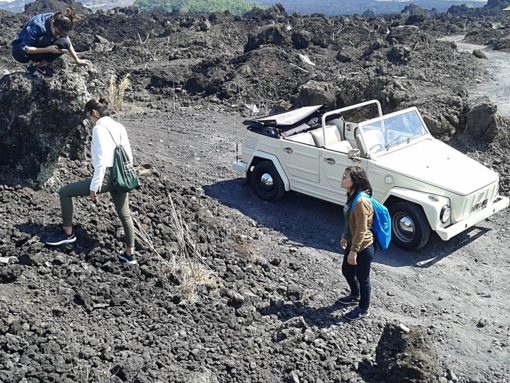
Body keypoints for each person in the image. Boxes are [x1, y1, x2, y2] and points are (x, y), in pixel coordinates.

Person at [45, 98, 137, 265]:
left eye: (89, 119)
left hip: (107, 176)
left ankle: (67, 235)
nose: (90, 123)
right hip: (122, 174)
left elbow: (101, 161)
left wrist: (95, 187)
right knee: (125, 215)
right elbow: (128, 155)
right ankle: (130, 255)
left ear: (94, 113)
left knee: (64, 192)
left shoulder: (99, 129)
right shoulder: (120, 126)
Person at [339, 165, 375, 321]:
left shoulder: (360, 201)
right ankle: (355, 295)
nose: (342, 178)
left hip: (363, 246)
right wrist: (345, 236)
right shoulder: (351, 195)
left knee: (363, 278)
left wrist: (354, 250)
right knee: (347, 270)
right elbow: (350, 221)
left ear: (354, 181)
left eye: (345, 176)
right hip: (354, 242)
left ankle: (363, 308)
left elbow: (362, 228)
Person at [11, 8, 91, 76]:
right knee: (46, 39)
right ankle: (31, 65)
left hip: (37, 47)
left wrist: (77, 60)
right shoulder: (37, 26)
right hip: (20, 53)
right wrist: (48, 49)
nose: (57, 36)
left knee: (64, 42)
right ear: (52, 23)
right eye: (57, 33)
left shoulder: (59, 19)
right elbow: (25, 48)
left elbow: (67, 40)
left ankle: (40, 67)